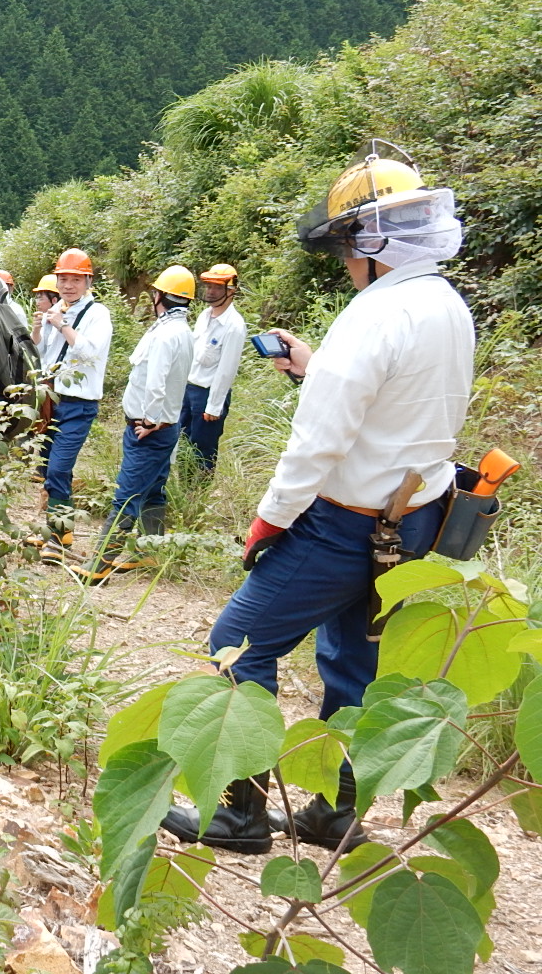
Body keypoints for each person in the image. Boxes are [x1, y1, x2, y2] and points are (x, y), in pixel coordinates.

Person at [160, 144, 473, 856]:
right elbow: (396, 410)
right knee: (351, 664)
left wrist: (269, 521)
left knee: (237, 645)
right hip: (416, 518)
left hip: (342, 523)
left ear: (371, 241)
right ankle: (338, 809)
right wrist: (315, 369)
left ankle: (238, 809)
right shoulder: (446, 304)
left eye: (345, 246)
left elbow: (316, 446)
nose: (343, 260)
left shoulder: (373, 315)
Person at [85, 266, 196, 583]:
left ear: (159, 296)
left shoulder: (164, 335)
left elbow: (156, 384)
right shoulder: (183, 332)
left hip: (148, 430)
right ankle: (149, 552)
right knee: (154, 492)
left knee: (127, 495)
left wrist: (149, 419)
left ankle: (100, 564)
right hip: (165, 428)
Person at [36, 250, 113, 562]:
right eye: (63, 279)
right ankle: (56, 532)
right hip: (51, 399)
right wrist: (40, 327)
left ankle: (58, 538)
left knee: (60, 467)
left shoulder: (98, 314)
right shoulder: (56, 308)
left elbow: (90, 353)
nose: (68, 285)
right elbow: (42, 352)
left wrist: (63, 326)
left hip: (79, 403)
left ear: (88, 281)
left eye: (75, 279)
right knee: (46, 467)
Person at [179, 264, 246, 473]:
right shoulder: (204, 316)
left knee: (203, 450)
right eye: (208, 285)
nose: (210, 291)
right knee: (182, 442)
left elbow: (227, 370)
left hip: (208, 395)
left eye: (217, 287)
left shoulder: (234, 326)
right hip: (189, 390)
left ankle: (198, 494)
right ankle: (183, 487)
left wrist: (214, 406)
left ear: (231, 290)